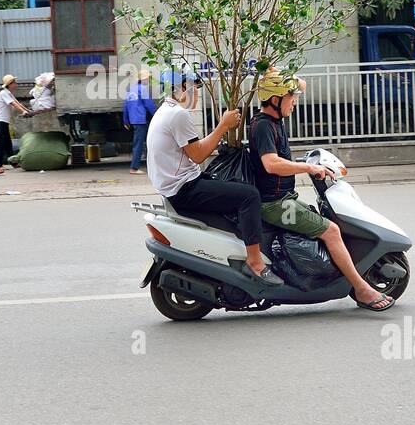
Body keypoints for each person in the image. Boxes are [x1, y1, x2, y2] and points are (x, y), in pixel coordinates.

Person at [249, 70, 395, 311]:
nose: (294, 101)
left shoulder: (271, 121)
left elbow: (279, 158)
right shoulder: (265, 126)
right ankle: (361, 288)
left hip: (281, 199)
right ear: (275, 99)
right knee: (332, 231)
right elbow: (271, 164)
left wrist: (277, 70)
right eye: (290, 96)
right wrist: (307, 166)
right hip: (276, 205)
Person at [147, 68, 282, 285]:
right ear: (181, 88)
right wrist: (223, 126)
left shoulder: (165, 111)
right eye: (194, 87)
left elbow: (193, 150)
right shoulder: (178, 115)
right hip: (184, 189)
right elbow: (198, 155)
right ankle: (255, 262)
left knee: (234, 187)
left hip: (177, 185)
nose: (197, 94)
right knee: (250, 196)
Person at [0, 75, 31, 176]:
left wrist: (27, 111)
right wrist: (23, 112)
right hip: (0, 120)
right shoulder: (4, 93)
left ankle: (13, 162)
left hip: (4, 121)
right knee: (0, 143)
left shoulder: (9, 93)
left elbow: (17, 102)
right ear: (9, 84)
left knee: (7, 142)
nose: (16, 84)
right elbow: (14, 104)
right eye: (14, 83)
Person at [123, 69, 158, 175]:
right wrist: (158, 115)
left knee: (140, 143)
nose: (148, 80)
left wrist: (126, 120)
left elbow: (126, 106)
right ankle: (134, 168)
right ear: (144, 79)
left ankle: (150, 165)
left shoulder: (131, 89)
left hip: (134, 120)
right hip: (140, 120)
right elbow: (149, 105)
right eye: (148, 78)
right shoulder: (143, 89)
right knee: (141, 143)